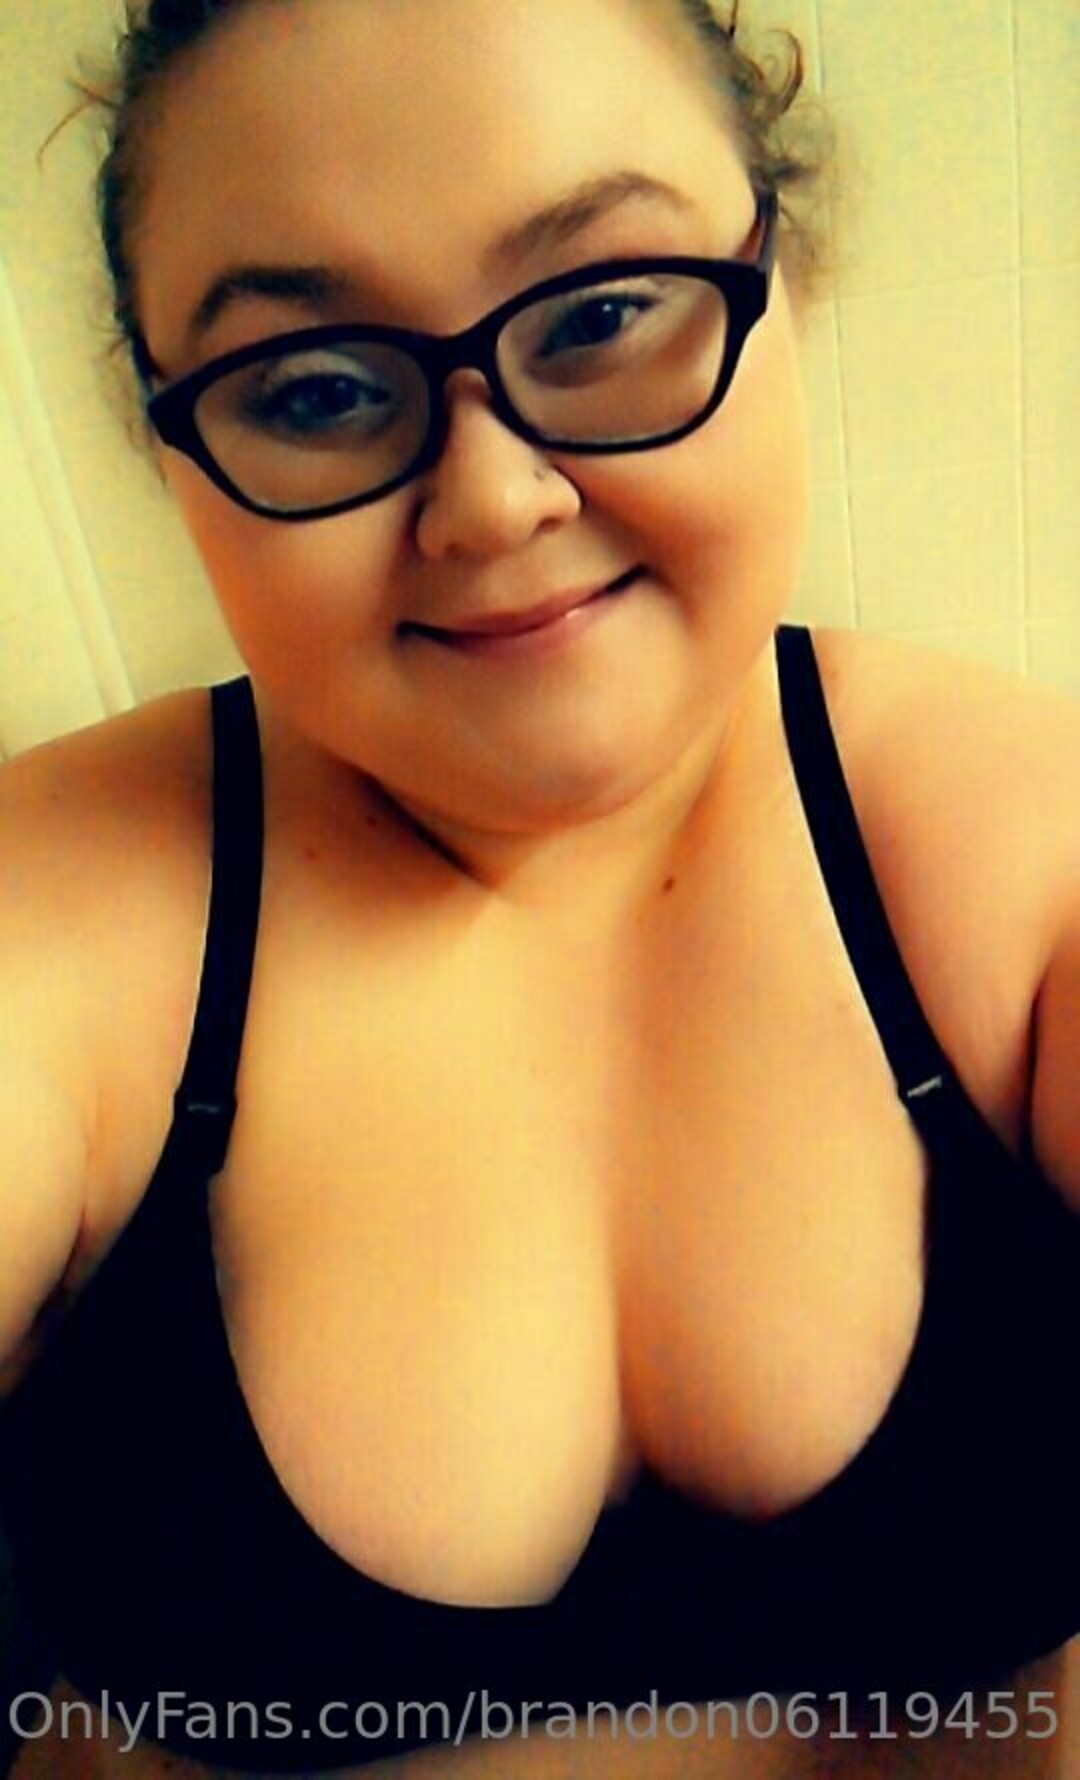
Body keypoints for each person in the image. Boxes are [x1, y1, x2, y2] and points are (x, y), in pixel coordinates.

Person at [0, 0, 1077, 1774]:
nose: (492, 502)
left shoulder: (1030, 852)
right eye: (317, 389)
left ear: (777, 277)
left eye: (598, 314)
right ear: (178, 452)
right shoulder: (54, 919)